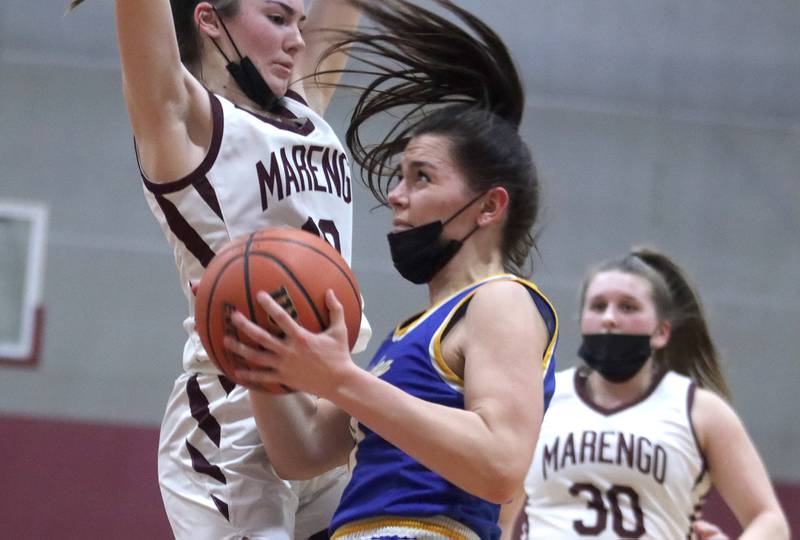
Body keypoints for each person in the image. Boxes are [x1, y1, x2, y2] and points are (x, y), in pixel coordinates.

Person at [221, 1, 558, 538]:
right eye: (400, 176)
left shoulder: (502, 300)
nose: (396, 196)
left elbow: (499, 465)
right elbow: (301, 453)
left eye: (421, 177)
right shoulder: (406, 338)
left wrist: (343, 380)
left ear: (490, 206)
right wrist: (257, 354)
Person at [68, 0, 370, 538]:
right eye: (278, 19)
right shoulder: (182, 121)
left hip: (329, 403)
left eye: (300, 22)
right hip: (233, 419)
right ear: (208, 20)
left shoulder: (304, 106)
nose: (298, 39)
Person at [507, 248, 789, 539]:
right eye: (598, 306)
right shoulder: (543, 398)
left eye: (628, 307)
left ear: (662, 331)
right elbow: (502, 516)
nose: (610, 318)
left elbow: (770, 520)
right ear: (581, 321)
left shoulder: (699, 411)